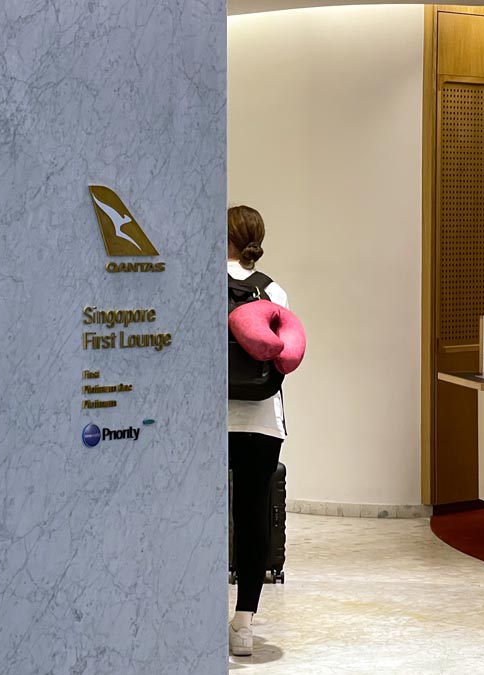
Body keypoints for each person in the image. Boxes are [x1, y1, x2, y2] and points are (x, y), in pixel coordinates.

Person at [226, 205, 287, 657]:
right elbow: (287, 358)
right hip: (262, 420)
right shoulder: (274, 291)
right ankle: (244, 623)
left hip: (209, 418)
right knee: (252, 518)